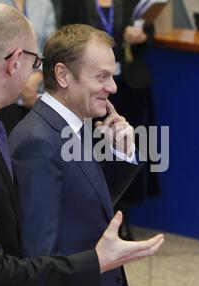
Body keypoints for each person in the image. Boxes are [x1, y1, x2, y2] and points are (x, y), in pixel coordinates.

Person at [0, 4, 164, 286]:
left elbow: (78, 205)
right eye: (35, 61)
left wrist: (119, 154)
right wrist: (97, 261)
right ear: (15, 61)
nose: (35, 72)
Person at [9, 24, 151, 286]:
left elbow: (84, 204)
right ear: (62, 74)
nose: (112, 87)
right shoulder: (37, 142)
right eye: (101, 77)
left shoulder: (73, 124)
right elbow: (40, 262)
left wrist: (120, 152)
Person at [61, 0, 160, 241]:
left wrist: (140, 37)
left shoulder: (131, 3)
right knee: (95, 148)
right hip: (89, 88)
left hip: (128, 85)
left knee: (127, 147)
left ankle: (124, 216)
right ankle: (98, 216)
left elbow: (149, 33)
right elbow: (66, 38)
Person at [0, 0, 57, 133]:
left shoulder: (44, 4)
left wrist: (38, 75)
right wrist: (20, 79)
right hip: (3, 93)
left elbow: (52, 47)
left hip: (36, 92)